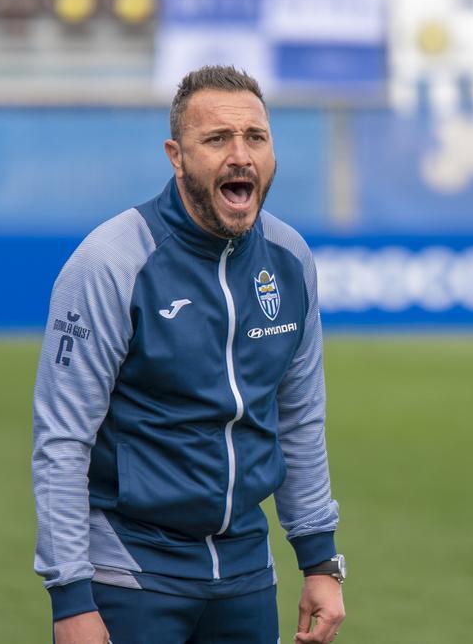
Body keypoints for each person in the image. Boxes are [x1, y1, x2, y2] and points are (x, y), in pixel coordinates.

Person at [32, 65, 345, 644]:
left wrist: (320, 562)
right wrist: (70, 595)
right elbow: (62, 439)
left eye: (255, 137)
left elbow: (300, 418)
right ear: (176, 155)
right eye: (217, 139)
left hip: (246, 572)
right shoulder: (111, 262)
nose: (241, 155)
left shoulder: (290, 259)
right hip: (130, 571)